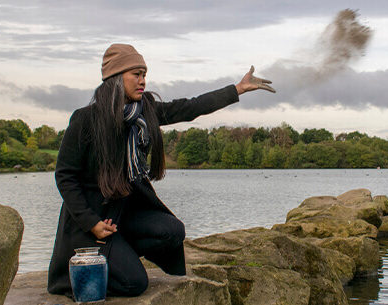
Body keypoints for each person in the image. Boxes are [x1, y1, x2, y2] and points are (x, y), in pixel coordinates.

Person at [47, 43, 274, 297]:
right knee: (135, 284)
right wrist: (92, 223)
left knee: (173, 231)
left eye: (145, 74)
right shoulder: (85, 119)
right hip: (95, 222)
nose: (143, 80)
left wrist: (238, 89)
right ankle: (95, 265)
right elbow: (65, 176)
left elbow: (190, 107)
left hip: (126, 216)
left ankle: (121, 251)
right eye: (136, 74)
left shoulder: (146, 112)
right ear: (115, 77)